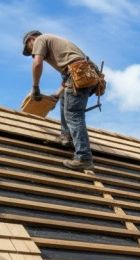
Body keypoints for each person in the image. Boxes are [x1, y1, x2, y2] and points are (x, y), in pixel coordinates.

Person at [22, 30, 97, 171]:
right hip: (86, 74)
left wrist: (35, 87)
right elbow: (68, 76)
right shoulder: (57, 45)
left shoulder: (40, 40)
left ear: (31, 40)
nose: (32, 53)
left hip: (78, 74)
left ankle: (84, 157)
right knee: (66, 100)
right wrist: (55, 96)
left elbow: (37, 63)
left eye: (29, 49)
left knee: (74, 115)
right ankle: (67, 137)